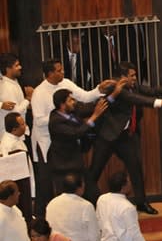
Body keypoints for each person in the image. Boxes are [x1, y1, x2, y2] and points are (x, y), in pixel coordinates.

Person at [86, 61, 162, 214]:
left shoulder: (134, 86)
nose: (135, 78)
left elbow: (151, 91)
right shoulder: (113, 87)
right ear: (122, 77)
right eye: (132, 75)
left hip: (124, 136)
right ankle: (85, 204)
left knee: (135, 167)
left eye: (135, 75)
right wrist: (161, 103)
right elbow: (137, 100)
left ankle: (141, 202)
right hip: (107, 137)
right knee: (94, 171)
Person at [31, 58, 109, 216]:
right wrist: (61, 119)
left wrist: (99, 89)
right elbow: (39, 121)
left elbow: (86, 97)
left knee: (84, 184)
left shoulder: (65, 83)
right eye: (59, 70)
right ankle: (42, 216)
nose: (63, 72)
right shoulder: (39, 93)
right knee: (46, 183)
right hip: (46, 142)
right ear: (50, 73)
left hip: (67, 143)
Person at [96, 172, 159, 241]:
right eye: (129, 182)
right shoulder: (127, 207)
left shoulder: (102, 199)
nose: (131, 184)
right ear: (123, 187)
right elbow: (134, 232)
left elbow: (99, 221)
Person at [48, 88, 110, 195]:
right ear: (62, 105)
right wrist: (94, 117)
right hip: (63, 164)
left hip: (76, 162)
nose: (74, 102)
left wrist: (110, 96)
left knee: (92, 192)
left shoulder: (74, 111)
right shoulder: (55, 121)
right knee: (65, 197)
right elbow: (75, 133)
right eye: (70, 100)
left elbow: (92, 108)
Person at [1, 112, 34, 220]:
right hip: (19, 185)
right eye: (22, 124)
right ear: (14, 129)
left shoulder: (16, 139)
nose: (25, 126)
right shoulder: (8, 144)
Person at [0, 53, 31, 141]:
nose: (20, 67)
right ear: (8, 69)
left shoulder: (13, 82)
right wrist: (28, 99)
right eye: (16, 65)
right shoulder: (6, 87)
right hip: (11, 135)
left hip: (17, 133)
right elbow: (15, 112)